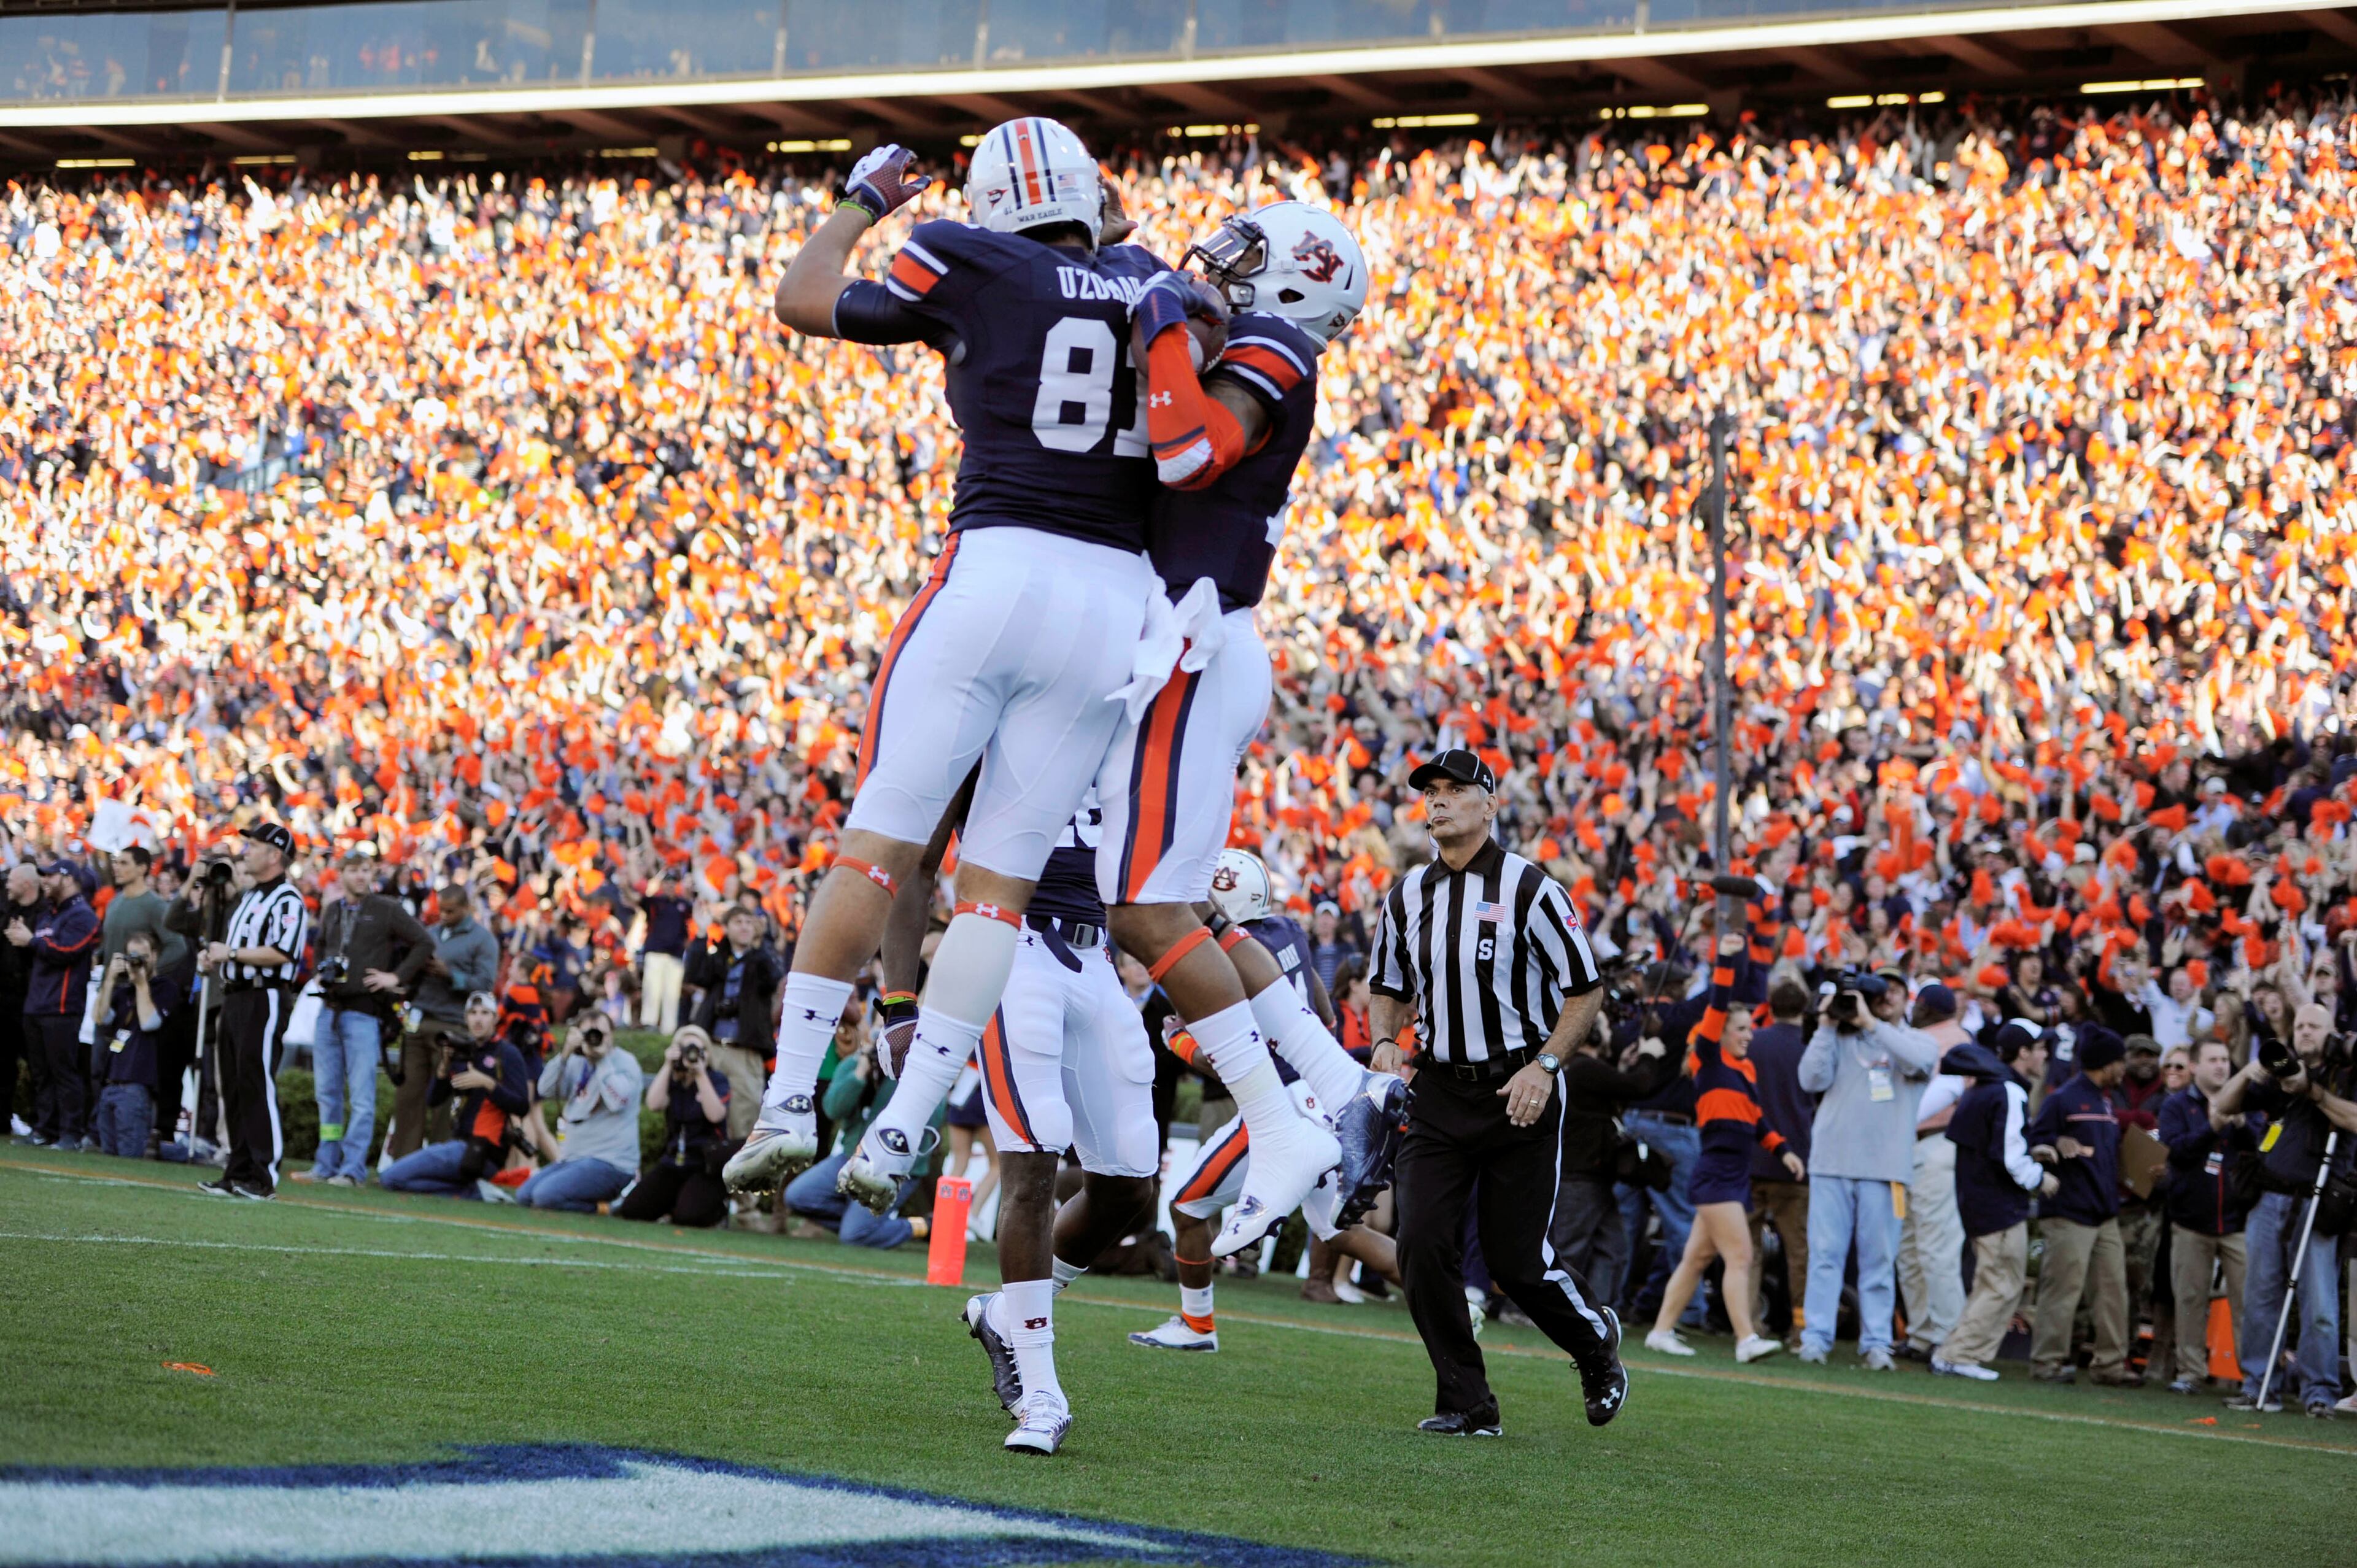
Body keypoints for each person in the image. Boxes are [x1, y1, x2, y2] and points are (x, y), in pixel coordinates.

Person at [730, 122, 1171, 1202]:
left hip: (999, 564)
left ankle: (788, 1102)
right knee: (994, 894)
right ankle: (902, 1131)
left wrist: (863, 197)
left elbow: (803, 296)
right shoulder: (1153, 282)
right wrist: (1110, 237)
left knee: (875, 851)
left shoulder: (977, 258)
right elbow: (1114, 266)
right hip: (1116, 603)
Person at [1368, 748, 1626, 1437]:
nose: (1439, 801)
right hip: (1442, 1089)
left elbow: (1586, 988)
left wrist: (1545, 1064)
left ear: (1490, 805)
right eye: (1432, 792)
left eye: (1456, 790)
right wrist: (1386, 1041)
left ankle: (1594, 1344)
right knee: (1420, 1243)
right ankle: (1467, 1400)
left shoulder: (1532, 887)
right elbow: (1387, 985)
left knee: (1517, 1261)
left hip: (1521, 1086)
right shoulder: (1406, 895)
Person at [1131, 1023, 1403, 1351]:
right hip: (1324, 1104)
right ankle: (1453, 1302)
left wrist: (1177, 1040)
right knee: (1342, 1231)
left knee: (1187, 1205)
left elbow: (1229, 1065)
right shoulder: (1297, 977)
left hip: (1278, 1110)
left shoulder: (1237, 976)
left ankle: (1197, 1326)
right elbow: (1326, 1014)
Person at [1645, 925, 1806, 1362]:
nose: (1749, 1034)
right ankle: (1745, 1338)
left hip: (1732, 1173)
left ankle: (1660, 1331)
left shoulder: (1745, 1071)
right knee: (1741, 1254)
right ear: (1721, 1032)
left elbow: (1756, 1121)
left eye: (1750, 1028)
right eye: (1741, 1029)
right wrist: (1729, 960)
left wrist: (1784, 1150)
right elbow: (1716, 1004)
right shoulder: (1709, 1057)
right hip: (1716, 1171)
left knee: (1697, 1258)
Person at [2210, 1003, 2357, 1416]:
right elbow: (2224, 1105)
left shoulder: (2346, 1075)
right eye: (2301, 1025)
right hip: (2268, 1197)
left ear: (2332, 1032)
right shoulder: (2280, 1073)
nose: (2306, 1031)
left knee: (2320, 1304)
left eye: (2315, 1025)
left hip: (2317, 1199)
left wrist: (2313, 1091)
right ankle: (2259, 1385)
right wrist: (2249, 1072)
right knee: (2259, 1297)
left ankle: (2320, 1392)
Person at [1796, 971, 1940, 1369]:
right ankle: (1816, 1338)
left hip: (1885, 1169)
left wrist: (1871, 1024)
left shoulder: (1917, 1041)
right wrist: (1827, 1023)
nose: (1886, 996)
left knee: (1879, 1261)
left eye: (1895, 990)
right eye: (1880, 990)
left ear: (1906, 999)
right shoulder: (1839, 1037)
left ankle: (1877, 1342)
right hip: (1831, 1164)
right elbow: (1810, 1078)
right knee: (1825, 1256)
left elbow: (1923, 1062)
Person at [297, 846, 433, 1186]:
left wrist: (396, 977)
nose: (361, 876)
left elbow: (424, 943)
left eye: (366, 870)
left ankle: (353, 1169)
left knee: (361, 1096)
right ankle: (326, 1163)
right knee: (327, 1093)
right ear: (341, 874)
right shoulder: (331, 910)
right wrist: (318, 973)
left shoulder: (386, 909)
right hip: (328, 1009)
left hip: (364, 1013)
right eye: (354, 869)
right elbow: (322, 948)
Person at [1933, 1022, 2059, 1380]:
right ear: (2023, 1052)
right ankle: (1959, 1355)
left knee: (1995, 1283)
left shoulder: (1988, 1087)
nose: (2045, 1055)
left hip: (1981, 1202)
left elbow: (1997, 1146)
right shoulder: (2008, 1091)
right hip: (1998, 1207)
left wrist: (2031, 1154)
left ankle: (1956, 1353)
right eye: (2038, 1048)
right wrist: (2039, 1177)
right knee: (1999, 1284)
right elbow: (2008, 1157)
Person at [195, 826, 307, 1199]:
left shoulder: (287, 899)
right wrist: (215, 957)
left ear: (275, 854)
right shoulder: (250, 897)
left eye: (254, 845)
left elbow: (283, 951)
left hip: (265, 995)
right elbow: (235, 949)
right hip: (236, 994)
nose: (246, 850)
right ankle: (237, 1169)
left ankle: (264, 1174)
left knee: (256, 1081)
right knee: (235, 1083)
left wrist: (232, 954)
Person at [2026, 1025, 2136, 1386]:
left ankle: (2110, 1364)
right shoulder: (2064, 1099)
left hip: (2104, 1213)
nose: (2124, 1068)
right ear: (2107, 1063)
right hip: (2069, 1212)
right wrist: (2057, 1141)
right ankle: (2047, 1362)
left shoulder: (2106, 1101)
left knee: (2112, 1291)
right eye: (2120, 1061)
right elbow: (2036, 1140)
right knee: (2063, 1289)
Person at [1550, 1010, 1679, 1313]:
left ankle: (1597, 1311)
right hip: (1581, 1176)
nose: (1611, 1034)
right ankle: (1550, 1311)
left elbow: (1614, 1090)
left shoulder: (1583, 1069)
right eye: (1606, 1028)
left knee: (1614, 1248)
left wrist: (1624, 1067)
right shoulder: (1585, 1068)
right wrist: (1649, 1055)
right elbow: (1639, 1087)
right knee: (1571, 1247)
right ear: (1592, 1033)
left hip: (1591, 1176)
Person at [782, 1002, 932, 1249]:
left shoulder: (918, 1071)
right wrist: (860, 1071)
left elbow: (928, 1121)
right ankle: (862, 1222)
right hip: (852, 1157)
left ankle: (922, 1226)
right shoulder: (854, 1063)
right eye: (881, 1024)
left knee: (854, 1237)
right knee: (798, 1196)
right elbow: (833, 1109)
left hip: (894, 1166)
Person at [2156, 1037, 2256, 1394]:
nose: (2221, 1066)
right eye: (2213, 1059)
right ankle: (2190, 1373)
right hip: (2190, 1220)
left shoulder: (2247, 1101)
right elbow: (2175, 1151)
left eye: (2226, 1060)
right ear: (2196, 1066)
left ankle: (2254, 1378)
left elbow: (2265, 1148)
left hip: (2237, 1221)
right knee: (2190, 1300)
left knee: (2248, 1301)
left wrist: (2244, 1126)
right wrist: (2211, 1127)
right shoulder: (2176, 1106)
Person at [379, 992, 530, 1200]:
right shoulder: (463, 1052)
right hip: (459, 1145)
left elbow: (522, 1106)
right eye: (473, 1013)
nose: (478, 1019)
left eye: (485, 1013)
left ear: (496, 1019)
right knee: (396, 1181)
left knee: (391, 1178)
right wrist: (443, 1070)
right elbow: (433, 1101)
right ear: (466, 1018)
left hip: (482, 1149)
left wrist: (488, 1084)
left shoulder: (507, 1054)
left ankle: (475, 1191)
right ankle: (474, 1192)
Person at [387, 882, 497, 1161]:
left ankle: (439, 1162)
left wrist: (451, 975)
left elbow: (485, 985)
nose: (444, 915)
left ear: (466, 909)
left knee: (445, 1098)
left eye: (451, 911)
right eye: (441, 910)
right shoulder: (431, 934)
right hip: (420, 1018)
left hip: (453, 1026)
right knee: (408, 1095)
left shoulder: (483, 940)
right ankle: (404, 1163)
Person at [1897, 983, 1973, 1362]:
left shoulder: (1956, 1043)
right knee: (1909, 1246)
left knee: (1934, 1246)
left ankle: (1949, 1340)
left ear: (1926, 1009)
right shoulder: (1920, 1037)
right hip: (1911, 1145)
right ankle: (1923, 1334)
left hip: (1939, 1142)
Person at [1743, 975, 1814, 1335]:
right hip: (1797, 1163)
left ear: (1769, 1007)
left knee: (1747, 1252)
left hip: (1753, 1159)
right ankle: (1802, 1331)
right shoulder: (1813, 1046)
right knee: (1799, 1253)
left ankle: (1749, 1327)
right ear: (1804, 1008)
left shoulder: (1752, 1042)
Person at [516, 1013, 644, 1213]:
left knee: (544, 1196)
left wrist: (601, 1061)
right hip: (574, 1159)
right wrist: (564, 1055)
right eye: (588, 1034)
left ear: (612, 1035)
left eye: (602, 1033)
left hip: (611, 1163)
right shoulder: (577, 1061)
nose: (595, 1039)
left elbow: (617, 1102)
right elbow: (545, 1089)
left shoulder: (626, 1063)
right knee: (524, 1196)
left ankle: (606, 1207)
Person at [685, 904, 783, 1141]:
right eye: (738, 922)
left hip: (745, 1051)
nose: (745, 927)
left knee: (745, 1119)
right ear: (727, 928)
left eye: (749, 922)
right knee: (702, 1113)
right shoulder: (718, 956)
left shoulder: (761, 957)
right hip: (713, 1046)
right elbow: (694, 975)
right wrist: (701, 933)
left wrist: (762, 941)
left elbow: (773, 978)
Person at [617, 1027, 732, 1228]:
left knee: (688, 1218)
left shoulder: (716, 1079)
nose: (691, 1053)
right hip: (674, 1163)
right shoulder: (674, 1079)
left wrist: (700, 1074)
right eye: (686, 1047)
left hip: (705, 1165)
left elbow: (716, 1115)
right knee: (632, 1210)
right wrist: (667, 1065)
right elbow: (654, 1104)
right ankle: (673, 1204)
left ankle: (716, 1209)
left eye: (698, 1048)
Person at [90, 931, 180, 1157]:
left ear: (155, 957)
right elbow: (100, 1018)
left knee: (129, 1156)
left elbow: (150, 1022)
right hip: (111, 1083)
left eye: (142, 956)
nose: (136, 962)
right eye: (132, 956)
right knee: (108, 1156)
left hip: (137, 1085)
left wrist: (141, 984)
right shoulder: (123, 991)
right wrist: (110, 979)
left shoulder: (164, 987)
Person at [1, 862, 40, 1138]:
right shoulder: (8, 911)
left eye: (11, 881)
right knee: (3, 1063)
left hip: (34, 999)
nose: (6, 886)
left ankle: (45, 1125)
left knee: (41, 1065)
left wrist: (30, 942)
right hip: (5, 1000)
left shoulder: (45, 915)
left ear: (26, 884)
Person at [631, 873, 695, 1035]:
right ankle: (649, 1024)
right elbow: (636, 899)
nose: (670, 887)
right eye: (667, 883)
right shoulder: (655, 902)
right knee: (652, 990)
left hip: (675, 955)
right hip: (656, 952)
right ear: (663, 885)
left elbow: (691, 926)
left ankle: (669, 1029)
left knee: (672, 994)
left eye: (673, 883)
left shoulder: (684, 905)